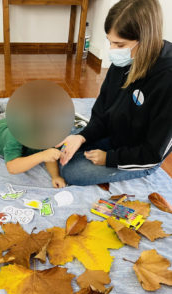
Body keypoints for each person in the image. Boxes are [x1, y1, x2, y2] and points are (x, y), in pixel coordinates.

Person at [57, 0, 172, 186]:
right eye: (110, 42)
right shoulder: (125, 60)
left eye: (119, 45)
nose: (112, 51)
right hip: (114, 135)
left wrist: (109, 159)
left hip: (140, 155)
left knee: (73, 172)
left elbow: (153, 152)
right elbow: (102, 111)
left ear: (146, 40)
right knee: (58, 141)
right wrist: (83, 136)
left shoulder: (166, 78)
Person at [0, 96, 66, 189]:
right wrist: (42, 155)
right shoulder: (15, 135)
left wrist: (55, 176)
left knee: (6, 110)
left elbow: (50, 155)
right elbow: (12, 166)